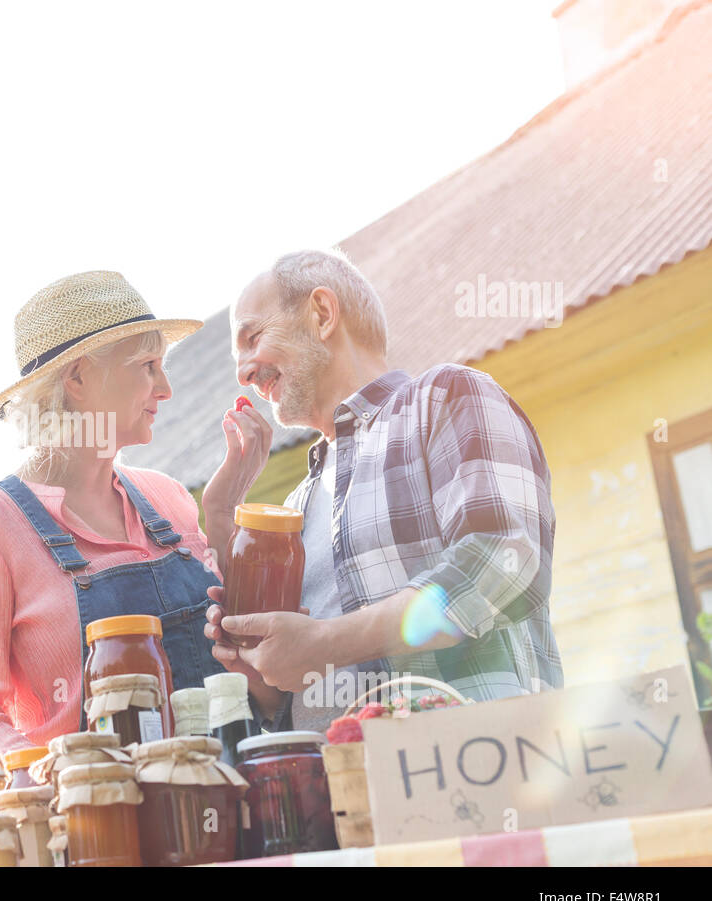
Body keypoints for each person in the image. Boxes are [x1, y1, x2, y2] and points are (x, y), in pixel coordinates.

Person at [204, 249, 562, 732]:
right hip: (337, 793)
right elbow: (291, 692)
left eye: (253, 338)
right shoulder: (298, 506)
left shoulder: (444, 398)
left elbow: (505, 561)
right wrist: (263, 669)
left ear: (322, 314)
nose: (244, 372)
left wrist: (327, 642)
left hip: (475, 764)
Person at [0, 271, 278, 752]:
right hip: (95, 815)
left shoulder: (169, 499)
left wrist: (220, 515)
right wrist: (57, 784)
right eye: (148, 365)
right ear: (77, 377)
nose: (166, 388)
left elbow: (248, 666)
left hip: (225, 797)